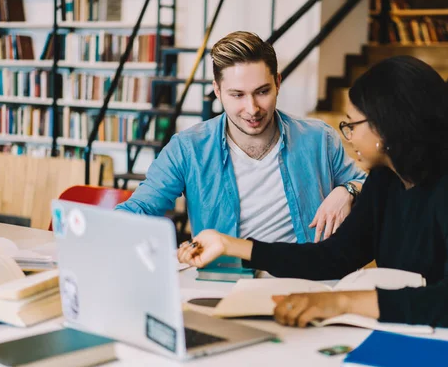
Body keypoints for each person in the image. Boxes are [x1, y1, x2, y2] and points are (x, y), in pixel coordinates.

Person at [178, 56, 448, 367]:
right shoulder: (385, 181)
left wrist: (342, 301)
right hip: (417, 339)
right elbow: (334, 257)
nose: (349, 136)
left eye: (353, 124)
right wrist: (230, 245)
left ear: (389, 127)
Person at [116, 31, 366, 243]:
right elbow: (143, 207)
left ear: (277, 83)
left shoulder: (318, 138)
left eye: (262, 92)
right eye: (237, 95)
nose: (252, 108)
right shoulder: (188, 148)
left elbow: (370, 184)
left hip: (305, 278)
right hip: (224, 278)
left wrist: (348, 190)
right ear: (217, 90)